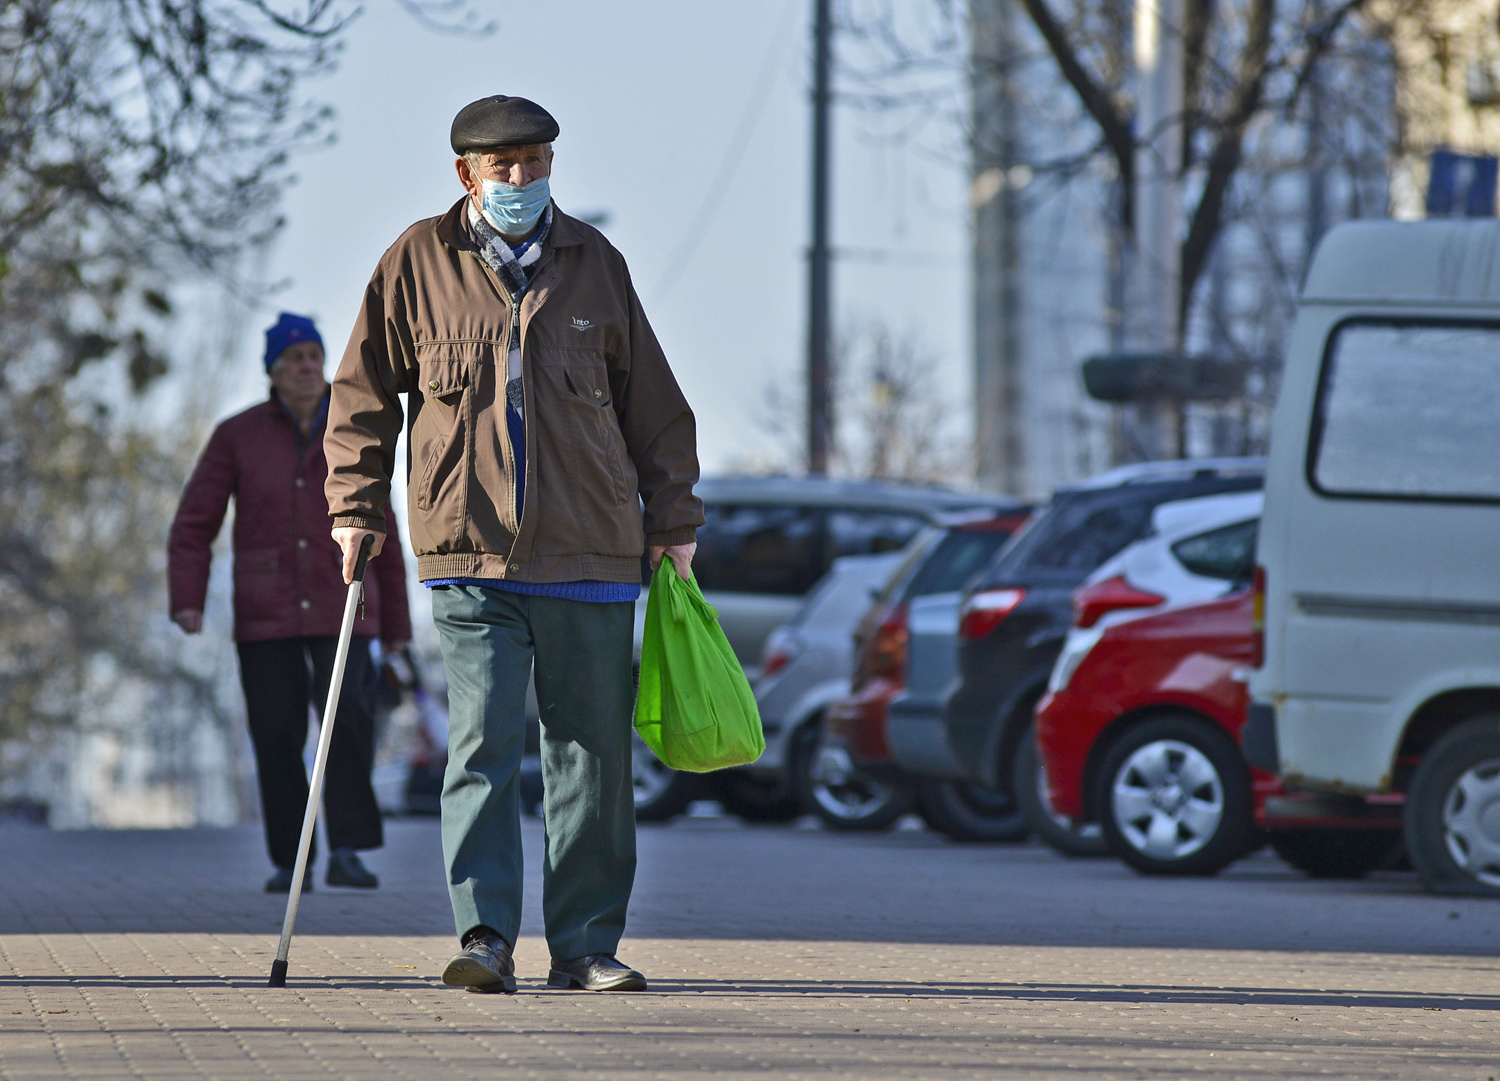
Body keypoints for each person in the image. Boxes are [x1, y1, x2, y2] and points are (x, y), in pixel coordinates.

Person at [323, 95, 702, 994]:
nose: (523, 180)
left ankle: (585, 945)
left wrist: (675, 522)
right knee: (482, 746)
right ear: (467, 174)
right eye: (505, 167)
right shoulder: (416, 261)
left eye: (536, 163)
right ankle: (486, 935)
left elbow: (655, 405)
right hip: (467, 550)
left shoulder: (594, 263)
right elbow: (362, 394)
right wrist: (354, 505)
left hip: (593, 551)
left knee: (593, 758)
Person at [168, 312, 412, 893]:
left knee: (348, 725)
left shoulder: (352, 426)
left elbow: (386, 527)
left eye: (313, 356)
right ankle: (291, 860)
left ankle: (348, 850)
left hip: (343, 601)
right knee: (276, 733)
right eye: (294, 359)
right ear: (273, 371)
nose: (307, 367)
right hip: (265, 611)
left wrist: (397, 623)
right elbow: (193, 523)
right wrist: (188, 598)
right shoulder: (238, 434)